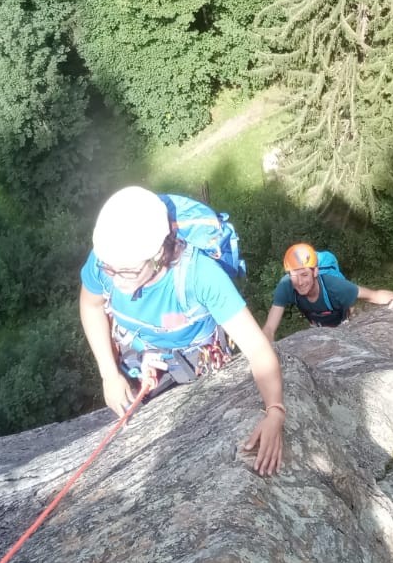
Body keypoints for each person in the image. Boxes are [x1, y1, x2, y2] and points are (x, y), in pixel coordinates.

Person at [78, 186, 285, 476]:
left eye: (128, 272)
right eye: (110, 271)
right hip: (139, 354)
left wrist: (274, 410)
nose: (118, 282)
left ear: (158, 255)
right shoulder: (110, 259)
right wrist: (109, 375)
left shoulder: (200, 276)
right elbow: (91, 305)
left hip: (198, 356)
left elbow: (257, 348)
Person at [261, 243, 393, 336]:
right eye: (294, 276)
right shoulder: (286, 285)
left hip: (341, 319)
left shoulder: (335, 286)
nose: (300, 282)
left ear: (315, 272)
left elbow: (372, 296)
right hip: (317, 323)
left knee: (348, 308)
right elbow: (269, 328)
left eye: (304, 275)